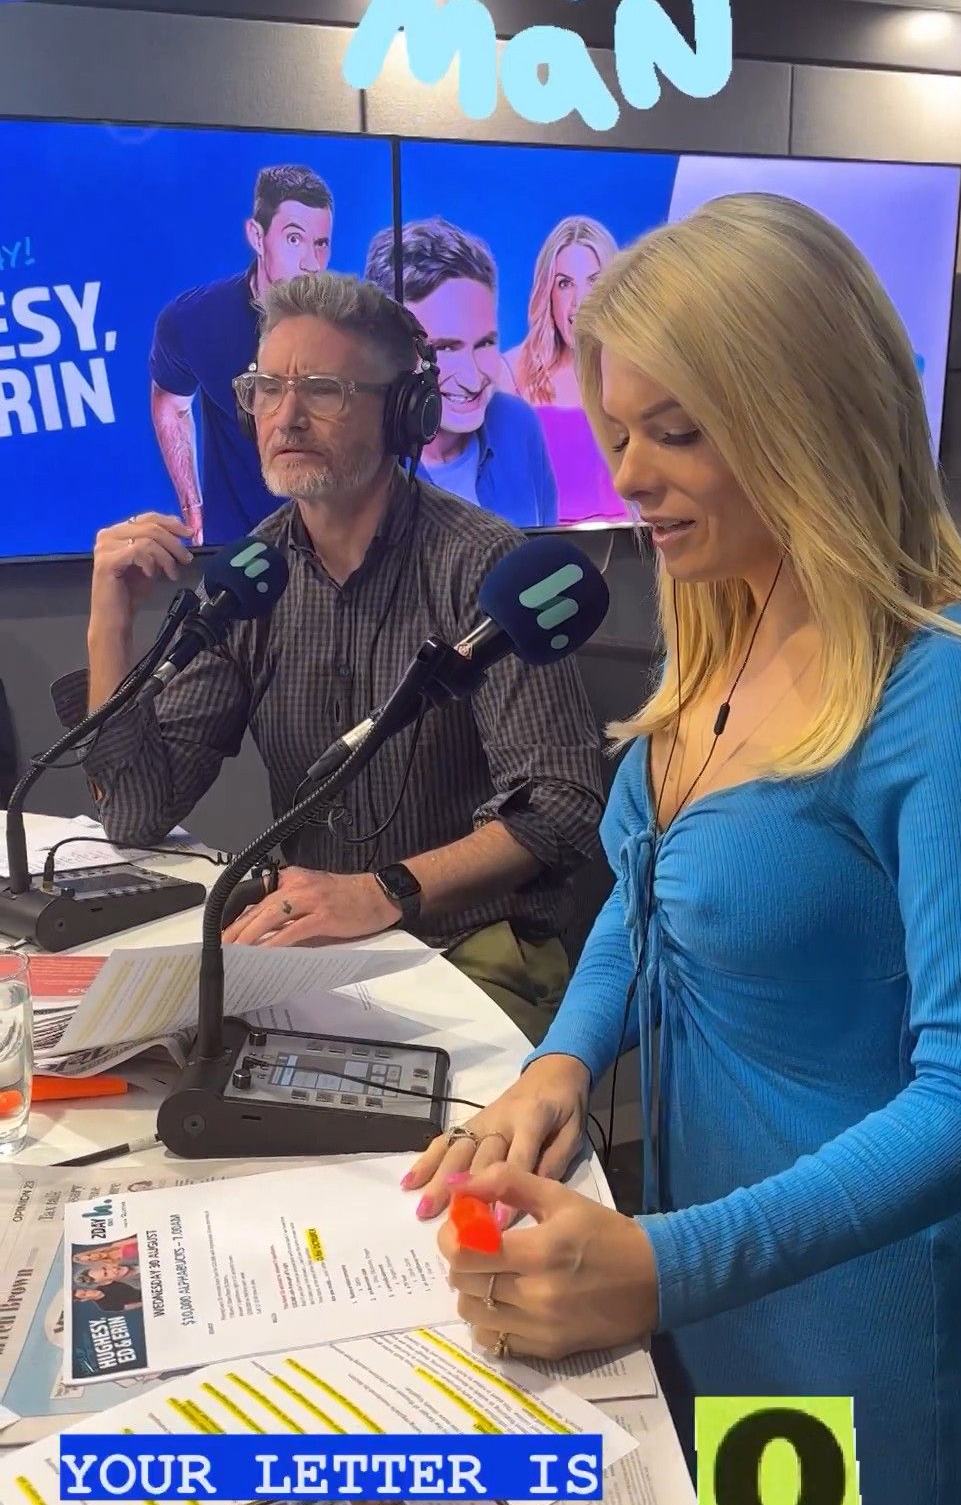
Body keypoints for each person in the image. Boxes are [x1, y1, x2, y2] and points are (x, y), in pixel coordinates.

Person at [406, 195, 961, 1505]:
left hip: (861, 1313)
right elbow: (642, 906)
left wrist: (664, 1264)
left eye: (678, 431)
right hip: (719, 1275)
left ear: (807, 415)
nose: (628, 473)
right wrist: (562, 1065)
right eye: (617, 428)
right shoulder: (723, 624)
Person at [54, 271, 603, 1045]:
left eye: (321, 389)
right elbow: (138, 812)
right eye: (266, 389)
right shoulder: (253, 576)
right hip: (314, 953)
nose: (286, 416)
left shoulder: (482, 564)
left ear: (405, 411)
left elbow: (561, 806)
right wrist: (109, 623)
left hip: (472, 949)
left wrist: (385, 891)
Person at [149, 164, 334, 547]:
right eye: (295, 239)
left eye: (321, 243)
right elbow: (171, 403)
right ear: (257, 236)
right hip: (238, 556)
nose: (311, 264)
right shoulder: (195, 320)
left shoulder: (352, 328)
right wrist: (191, 505)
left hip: (336, 551)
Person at [365, 218, 557, 528]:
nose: (472, 379)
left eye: (485, 343)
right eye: (445, 348)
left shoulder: (518, 426)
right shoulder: (355, 463)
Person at [507, 216, 627, 526]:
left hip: (633, 547)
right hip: (543, 550)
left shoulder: (643, 371)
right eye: (565, 284)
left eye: (594, 281)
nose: (579, 302)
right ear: (547, 292)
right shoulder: (509, 373)